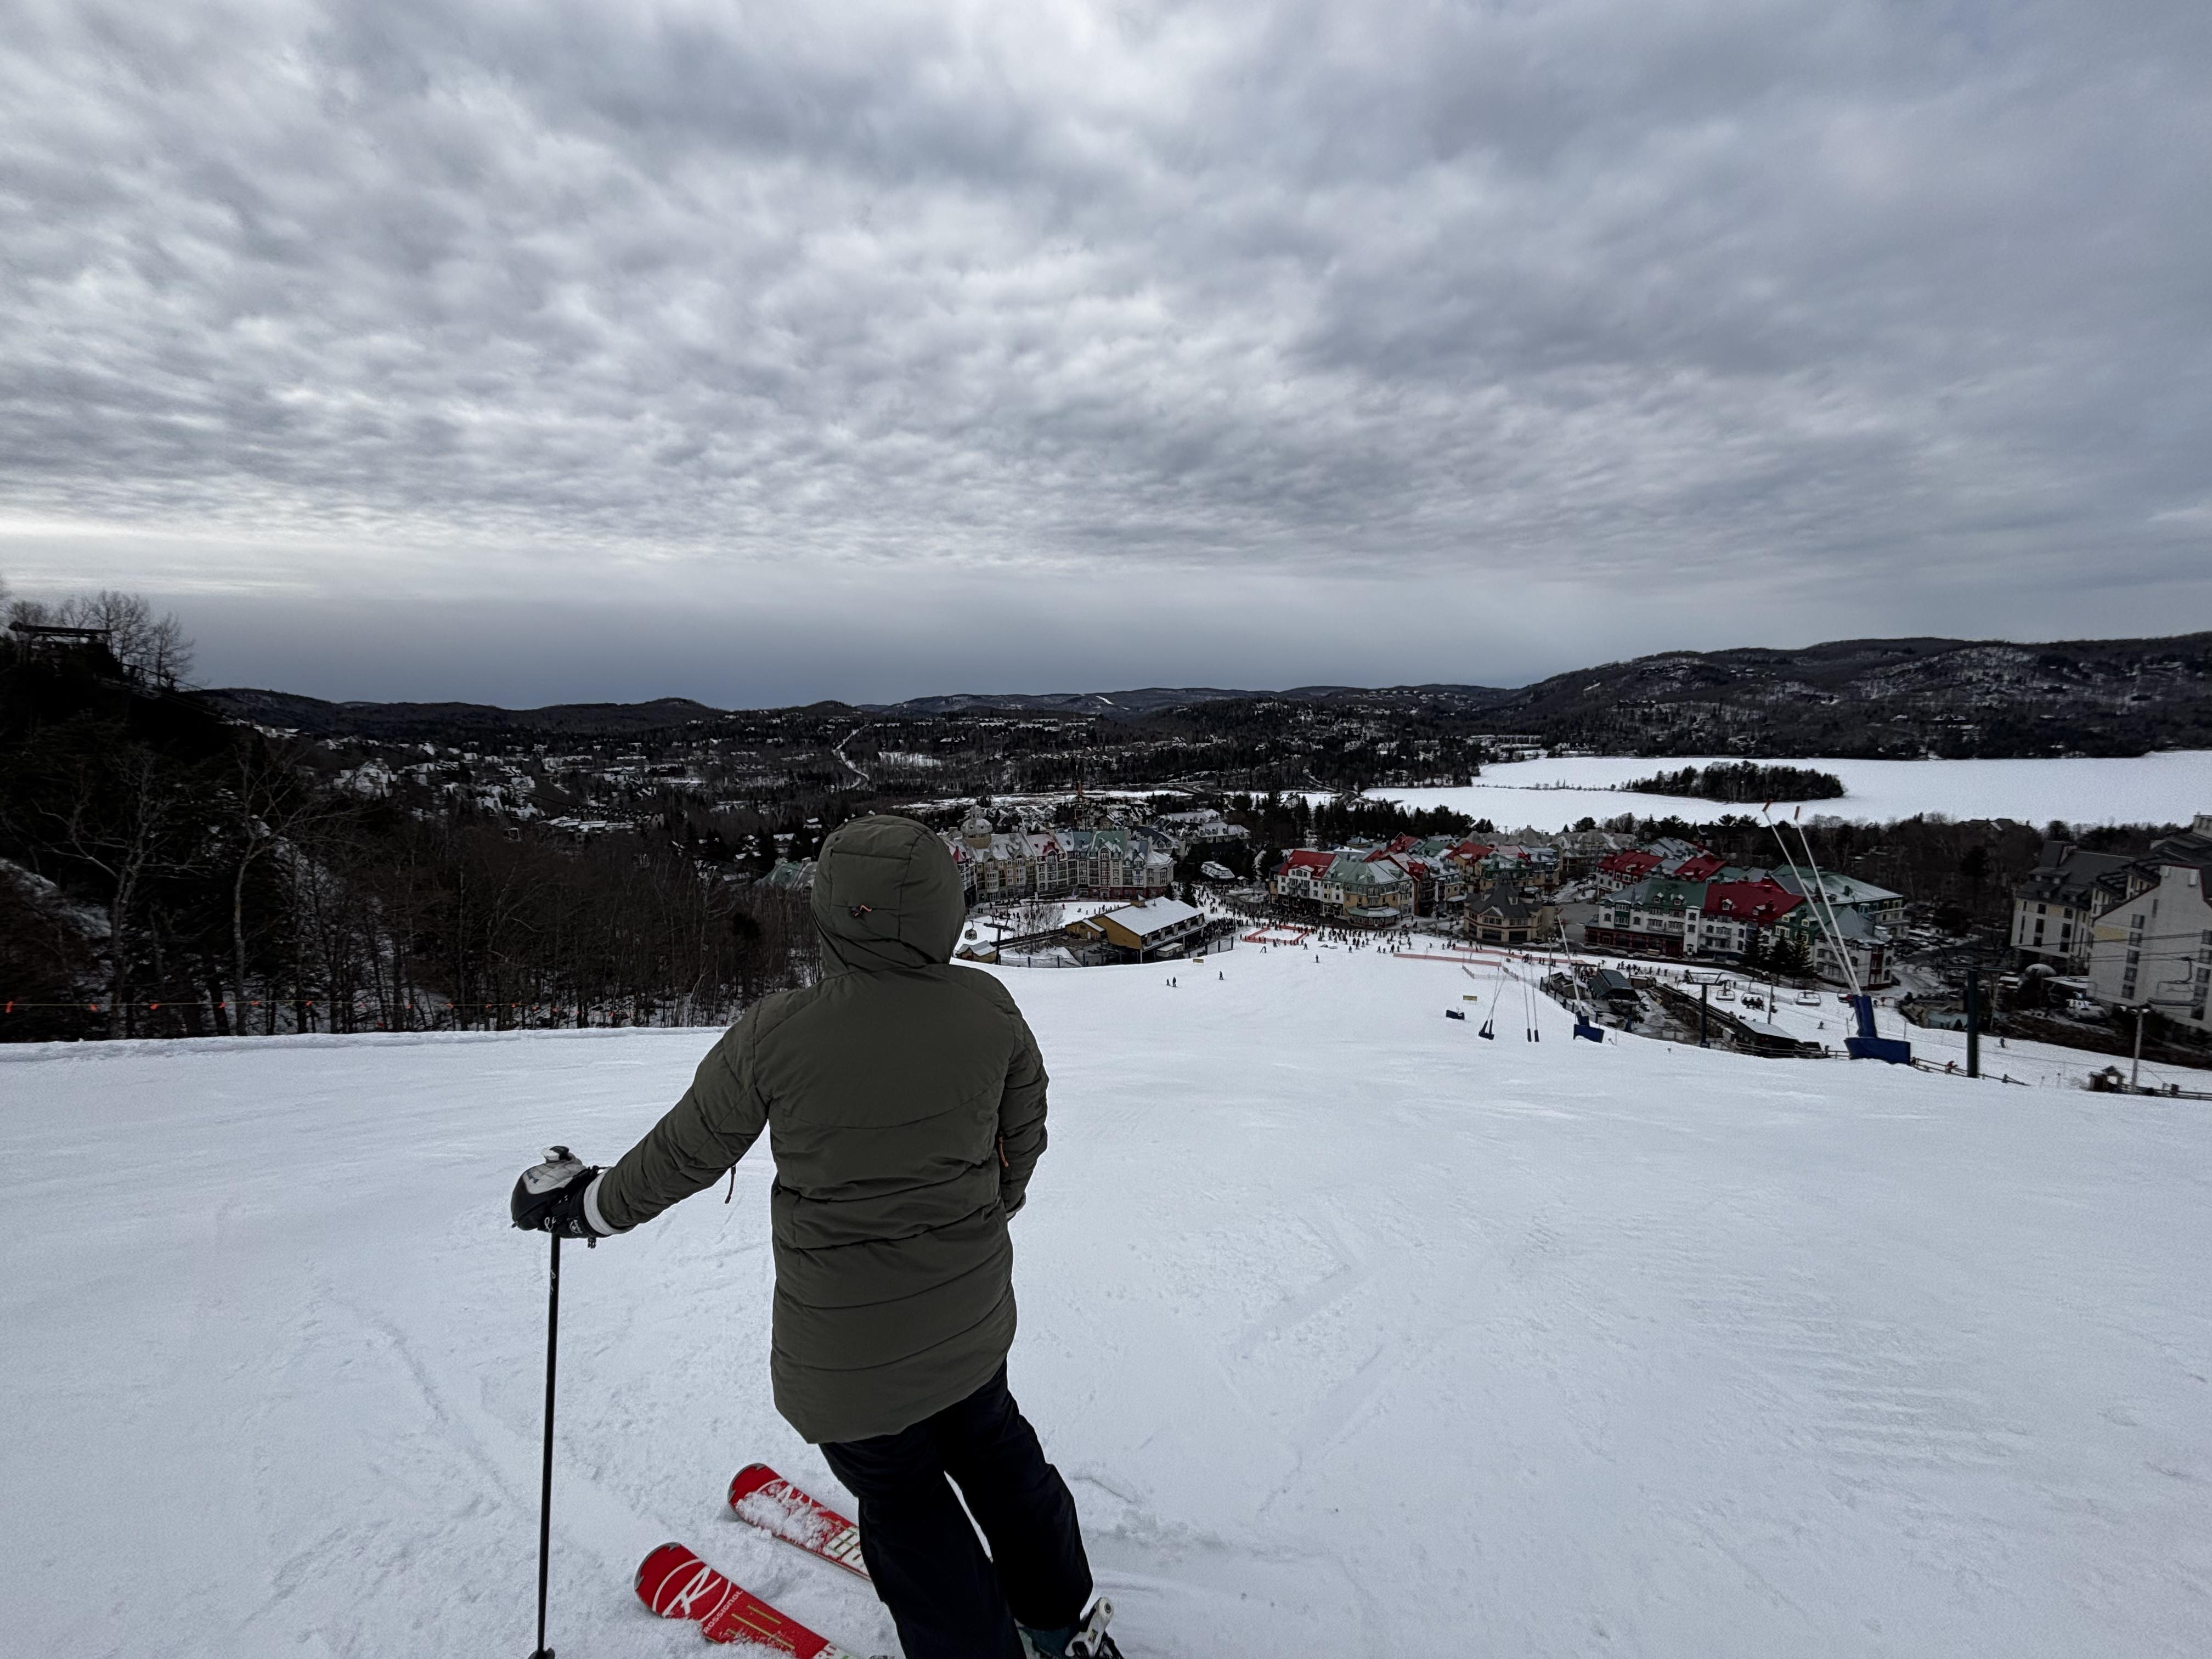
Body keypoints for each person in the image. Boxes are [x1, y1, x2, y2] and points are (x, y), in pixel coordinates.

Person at [511, 815, 1109, 1659]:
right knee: (1000, 1454)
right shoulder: (989, 1006)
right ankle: (1063, 1621)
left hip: (849, 1357)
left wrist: (589, 1208)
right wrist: (975, 1221)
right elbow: (1023, 1140)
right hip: (969, 1317)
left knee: (907, 1510)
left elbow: (686, 1152)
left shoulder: (778, 1034)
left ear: (831, 910)